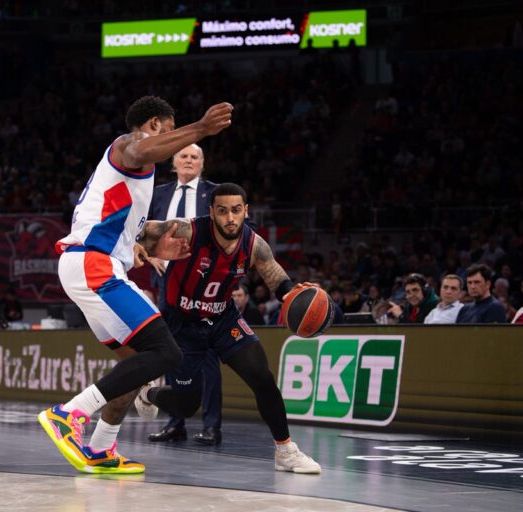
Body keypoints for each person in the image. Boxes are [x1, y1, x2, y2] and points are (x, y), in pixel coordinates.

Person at [39, 96, 233, 474]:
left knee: (137, 363)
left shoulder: (135, 174)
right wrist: (201, 128)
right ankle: (69, 414)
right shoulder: (127, 145)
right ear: (157, 124)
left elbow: (127, 228)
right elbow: (141, 146)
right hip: (94, 264)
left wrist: (148, 246)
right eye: (172, 129)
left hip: (95, 264)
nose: (176, 138)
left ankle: (100, 448)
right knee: (168, 351)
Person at [133, 183, 321, 474]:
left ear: (246, 211)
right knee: (185, 406)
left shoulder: (254, 244)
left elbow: (278, 281)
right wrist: (141, 246)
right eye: (222, 211)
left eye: (236, 210)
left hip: (223, 319)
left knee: (262, 376)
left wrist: (295, 295)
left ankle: (285, 450)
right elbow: (138, 230)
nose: (230, 218)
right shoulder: (186, 231)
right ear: (211, 212)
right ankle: (148, 394)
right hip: (182, 323)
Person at [146, 143, 223, 446]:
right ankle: (175, 422)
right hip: (169, 283)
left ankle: (212, 426)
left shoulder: (216, 194)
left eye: (195, 157)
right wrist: (150, 255)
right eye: (184, 156)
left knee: (208, 356)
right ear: (174, 162)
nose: (189, 160)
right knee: (173, 354)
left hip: (206, 283)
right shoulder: (158, 194)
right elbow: (138, 230)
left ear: (202, 164)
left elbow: (235, 230)